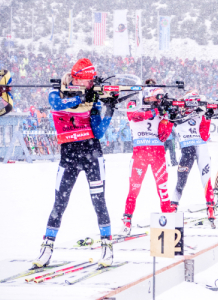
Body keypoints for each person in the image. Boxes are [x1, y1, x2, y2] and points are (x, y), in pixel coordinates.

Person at [33, 58, 116, 268]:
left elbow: (98, 131)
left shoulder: (92, 98)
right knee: (59, 203)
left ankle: (107, 247)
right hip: (68, 155)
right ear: (77, 79)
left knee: (99, 201)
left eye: (91, 82)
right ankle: (47, 247)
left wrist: (108, 110)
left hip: (92, 153)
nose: (90, 85)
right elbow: (56, 104)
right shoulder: (58, 92)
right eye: (87, 81)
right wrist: (79, 100)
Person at [118, 81, 176, 236]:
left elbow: (163, 136)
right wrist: (155, 112)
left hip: (158, 153)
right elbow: (133, 116)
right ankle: (127, 220)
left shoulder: (160, 109)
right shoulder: (134, 103)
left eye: (159, 99)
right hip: (140, 153)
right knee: (134, 189)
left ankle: (168, 217)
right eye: (155, 98)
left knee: (163, 188)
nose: (158, 101)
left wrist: (169, 118)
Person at [171, 90, 216, 227]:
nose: (191, 107)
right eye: (190, 104)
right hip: (186, 149)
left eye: (194, 104)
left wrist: (207, 118)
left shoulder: (200, 113)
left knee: (206, 178)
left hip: (201, 147)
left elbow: (205, 136)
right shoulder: (178, 113)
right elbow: (171, 121)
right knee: (181, 180)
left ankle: (210, 208)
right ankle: (173, 207)